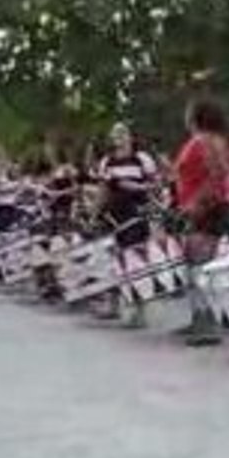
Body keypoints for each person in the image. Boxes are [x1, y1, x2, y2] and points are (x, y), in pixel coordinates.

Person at [174, 99, 229, 347]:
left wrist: (197, 203)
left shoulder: (206, 142)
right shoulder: (214, 141)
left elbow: (218, 174)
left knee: (201, 266)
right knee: (194, 264)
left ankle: (208, 322)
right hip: (205, 205)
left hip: (206, 208)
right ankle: (199, 316)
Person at [96, 123, 158, 323]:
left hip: (136, 215)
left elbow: (155, 185)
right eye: (115, 134)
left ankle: (140, 309)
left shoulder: (142, 159)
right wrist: (96, 212)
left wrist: (135, 187)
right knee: (114, 260)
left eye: (123, 134)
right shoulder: (107, 161)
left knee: (135, 261)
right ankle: (113, 304)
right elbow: (103, 189)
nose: (119, 137)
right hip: (112, 217)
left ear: (131, 137)